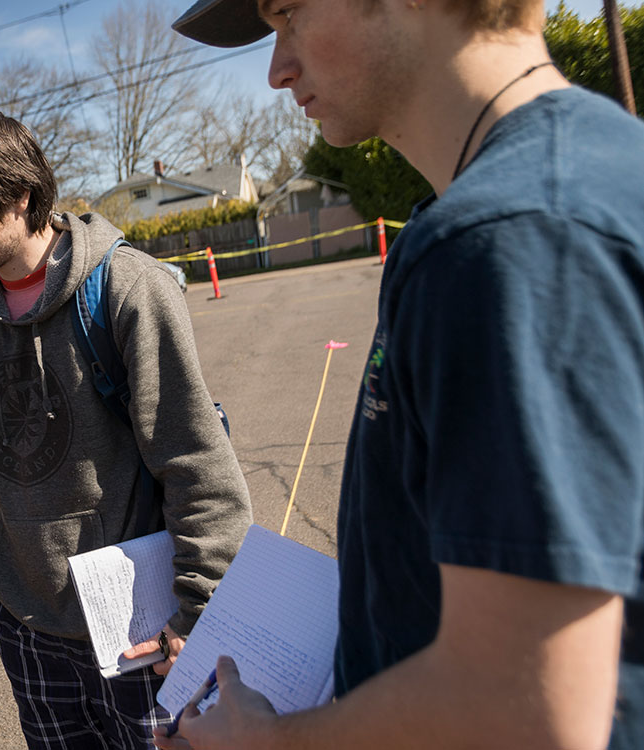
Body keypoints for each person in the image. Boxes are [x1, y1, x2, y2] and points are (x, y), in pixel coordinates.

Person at [161, 0, 644, 747]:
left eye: (287, 14)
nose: (275, 68)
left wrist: (261, 741)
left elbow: (526, 710)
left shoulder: (503, 241)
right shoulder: (568, 178)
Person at [0, 108, 253, 748]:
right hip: (29, 624)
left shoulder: (128, 289)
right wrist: (3, 562)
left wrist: (199, 612)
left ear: (18, 194)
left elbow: (199, 465)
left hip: (141, 632)